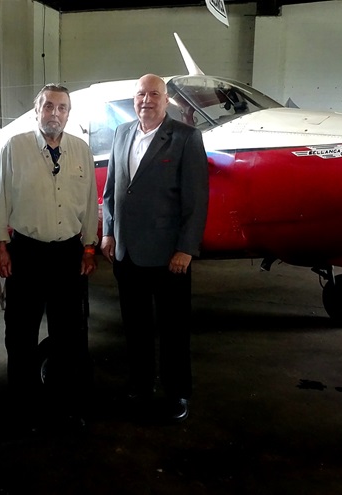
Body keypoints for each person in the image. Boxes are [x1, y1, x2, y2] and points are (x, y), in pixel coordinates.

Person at [0, 83, 98, 431]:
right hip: (27, 253)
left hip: (69, 253)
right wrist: (0, 245)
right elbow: (0, 199)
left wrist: (90, 246)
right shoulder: (15, 148)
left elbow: (91, 201)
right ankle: (23, 408)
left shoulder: (80, 150)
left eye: (62, 107)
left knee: (70, 335)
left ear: (68, 113)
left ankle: (66, 405)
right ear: (38, 111)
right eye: (48, 106)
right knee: (20, 334)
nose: (55, 113)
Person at [101, 74, 209, 423]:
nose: (146, 100)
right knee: (136, 328)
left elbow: (196, 199)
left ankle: (177, 393)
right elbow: (112, 191)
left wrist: (186, 248)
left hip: (168, 256)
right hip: (126, 252)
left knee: (174, 329)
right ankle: (140, 386)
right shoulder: (121, 133)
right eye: (141, 94)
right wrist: (108, 232)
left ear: (166, 100)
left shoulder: (185, 138)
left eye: (154, 94)